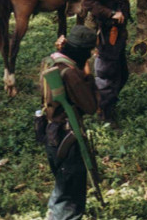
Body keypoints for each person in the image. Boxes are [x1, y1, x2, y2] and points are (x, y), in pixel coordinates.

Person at [38, 25, 98, 220]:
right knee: (69, 200)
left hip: (50, 133)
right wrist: (88, 76)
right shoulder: (71, 74)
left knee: (63, 187)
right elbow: (90, 106)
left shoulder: (51, 60)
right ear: (83, 53)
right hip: (67, 136)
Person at [82, 0, 130, 126]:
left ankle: (108, 106)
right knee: (107, 74)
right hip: (108, 33)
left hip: (116, 34)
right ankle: (104, 113)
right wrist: (110, 14)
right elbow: (88, 1)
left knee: (122, 74)